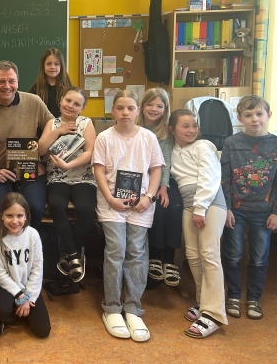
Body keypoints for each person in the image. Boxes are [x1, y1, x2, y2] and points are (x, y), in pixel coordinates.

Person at [93, 89, 163, 343]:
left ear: (137, 111)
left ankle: (133, 307)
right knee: (116, 251)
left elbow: (156, 169)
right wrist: (110, 198)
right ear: (113, 110)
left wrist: (150, 196)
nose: (125, 112)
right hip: (112, 204)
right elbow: (99, 171)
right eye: (120, 108)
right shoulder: (104, 137)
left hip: (141, 204)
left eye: (130, 108)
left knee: (136, 252)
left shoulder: (148, 138)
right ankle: (112, 307)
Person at [0, 60, 52, 228]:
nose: (7, 86)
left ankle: (28, 242)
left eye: (11, 81)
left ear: (18, 82)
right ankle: (2, 242)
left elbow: (53, 127)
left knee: (35, 207)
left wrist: (44, 163)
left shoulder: (34, 102)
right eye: (1, 81)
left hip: (28, 170)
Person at [169, 109, 228, 338]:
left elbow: (210, 178)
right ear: (172, 129)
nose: (191, 130)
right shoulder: (172, 151)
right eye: (185, 126)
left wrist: (200, 208)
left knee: (209, 254)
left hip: (209, 204)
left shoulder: (202, 146)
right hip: (189, 205)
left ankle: (214, 314)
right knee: (193, 256)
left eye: (194, 125)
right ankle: (203, 301)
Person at [222, 95, 277, 321]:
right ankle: (234, 296)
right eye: (248, 115)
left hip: (264, 211)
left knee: (259, 258)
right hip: (236, 209)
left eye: (259, 114)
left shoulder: (275, 143)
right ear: (239, 118)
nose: (254, 119)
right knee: (233, 255)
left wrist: (276, 211)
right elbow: (225, 178)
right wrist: (226, 208)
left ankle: (254, 299)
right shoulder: (231, 143)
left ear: (268, 115)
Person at [37, 87, 96, 282]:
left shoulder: (86, 123)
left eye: (77, 104)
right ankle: (74, 255)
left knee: (86, 208)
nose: (71, 106)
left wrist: (69, 165)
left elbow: (90, 152)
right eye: (68, 101)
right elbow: (41, 150)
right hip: (57, 177)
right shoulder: (52, 123)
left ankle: (70, 252)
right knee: (56, 204)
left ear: (82, 108)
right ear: (61, 100)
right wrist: (58, 131)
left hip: (82, 176)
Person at [135, 88, 183, 287]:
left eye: (159, 106)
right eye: (150, 104)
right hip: (139, 180)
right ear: (142, 106)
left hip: (163, 178)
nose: (154, 109)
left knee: (173, 206)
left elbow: (165, 161)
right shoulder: (133, 127)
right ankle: (155, 256)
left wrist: (163, 186)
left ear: (165, 109)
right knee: (155, 209)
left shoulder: (164, 132)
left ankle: (169, 259)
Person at [0, 193, 50, 338]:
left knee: (43, 331)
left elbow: (37, 269)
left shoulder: (33, 235)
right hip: (6, 287)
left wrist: (28, 299)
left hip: (27, 286)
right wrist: (20, 295)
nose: (14, 221)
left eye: (19, 216)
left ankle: (21, 311)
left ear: (26, 216)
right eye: (9, 215)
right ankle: (13, 314)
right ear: (2, 216)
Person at [29, 48, 73, 117]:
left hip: (65, 123)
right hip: (42, 124)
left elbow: (75, 112)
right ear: (43, 66)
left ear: (61, 66)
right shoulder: (35, 89)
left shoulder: (70, 89)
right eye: (48, 64)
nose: (52, 67)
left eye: (56, 64)